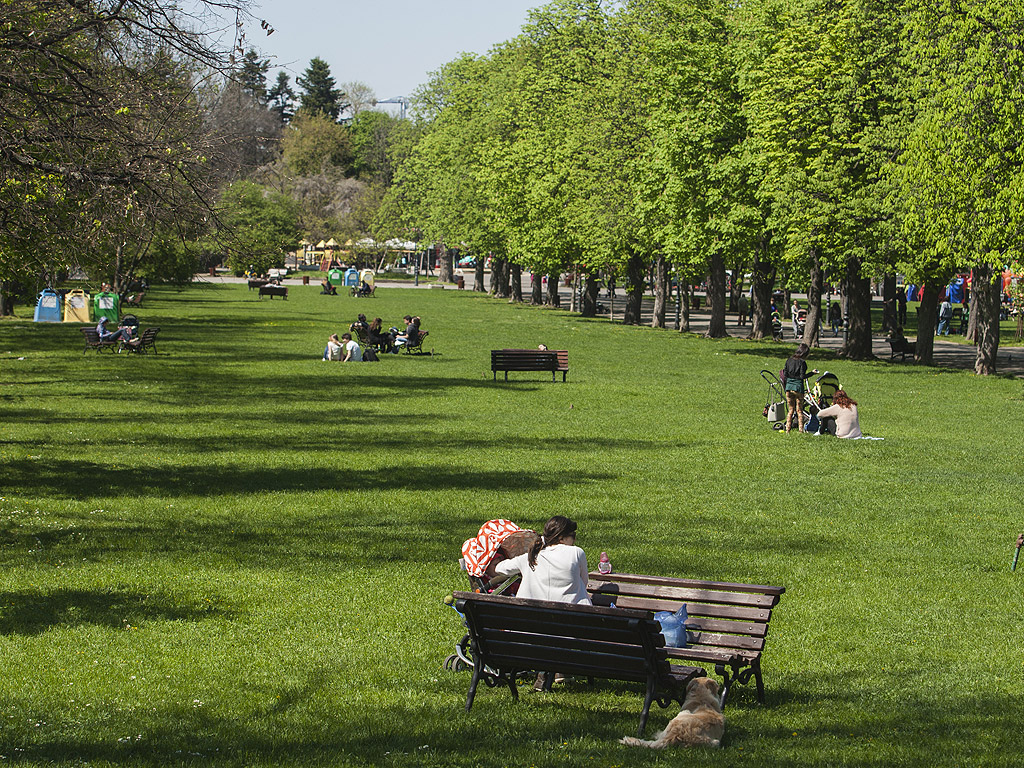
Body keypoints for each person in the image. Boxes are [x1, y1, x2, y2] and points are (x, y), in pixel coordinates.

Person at [492, 516, 591, 605]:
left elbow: (499, 568)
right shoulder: (576, 552)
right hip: (572, 619)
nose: (574, 540)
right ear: (561, 538)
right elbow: (583, 582)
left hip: (531, 620)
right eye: (573, 535)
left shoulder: (529, 558)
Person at [782, 343, 818, 434]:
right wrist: (812, 373)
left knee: (790, 410)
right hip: (798, 387)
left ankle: (787, 430)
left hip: (789, 387)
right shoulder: (802, 362)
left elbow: (785, 373)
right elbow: (802, 376)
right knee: (799, 410)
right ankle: (800, 430)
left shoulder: (789, 360)